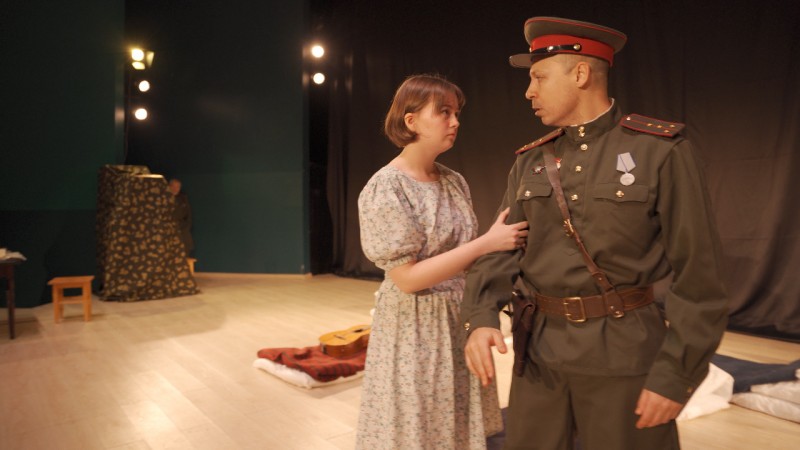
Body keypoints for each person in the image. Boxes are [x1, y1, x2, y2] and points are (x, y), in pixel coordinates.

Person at [461, 17, 729, 450]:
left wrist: (676, 375)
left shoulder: (660, 152)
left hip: (624, 354)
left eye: (539, 77)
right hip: (540, 356)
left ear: (581, 73)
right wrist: (480, 316)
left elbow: (700, 276)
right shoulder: (531, 162)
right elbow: (502, 248)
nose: (529, 91)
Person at [356, 74, 529, 449]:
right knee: (418, 429)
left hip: (457, 317)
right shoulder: (387, 187)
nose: (455, 122)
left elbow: (462, 261)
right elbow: (407, 279)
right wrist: (485, 244)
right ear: (411, 120)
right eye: (444, 112)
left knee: (455, 426)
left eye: (456, 113)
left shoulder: (453, 180)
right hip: (415, 328)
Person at [168, 178, 194, 256]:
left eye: (178, 187)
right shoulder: (164, 198)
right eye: (173, 186)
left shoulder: (183, 198)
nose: (175, 189)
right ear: (169, 186)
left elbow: (188, 215)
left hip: (182, 229)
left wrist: (186, 226)